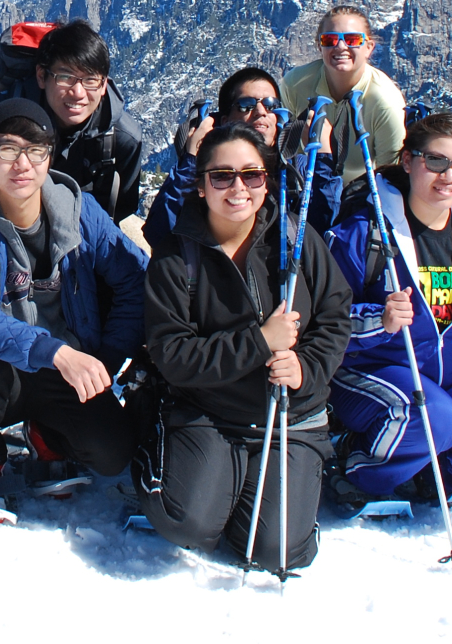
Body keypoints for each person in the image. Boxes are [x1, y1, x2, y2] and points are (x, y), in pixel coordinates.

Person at [138, 122, 352, 573]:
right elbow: (172, 355)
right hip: (210, 412)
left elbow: (335, 314)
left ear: (267, 180)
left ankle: (254, 500)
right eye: (222, 176)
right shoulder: (177, 257)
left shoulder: (295, 240)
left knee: (277, 553)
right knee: (188, 525)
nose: (239, 188)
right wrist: (259, 343)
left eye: (252, 175)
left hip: (291, 417)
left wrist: (306, 368)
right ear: (200, 186)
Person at [0, 98, 149, 504]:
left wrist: (108, 356)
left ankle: (46, 433)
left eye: (35, 151)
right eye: (8, 149)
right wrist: (59, 353)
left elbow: (134, 278)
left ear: (49, 157)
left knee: (111, 451)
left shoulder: (80, 210)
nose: (22, 164)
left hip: (62, 365)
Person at [321, 112, 452, 499]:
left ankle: (420, 472)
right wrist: (378, 321)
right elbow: (322, 323)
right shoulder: (365, 232)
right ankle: (360, 466)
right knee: (436, 419)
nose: (449, 177)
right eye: (436, 161)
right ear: (407, 161)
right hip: (377, 370)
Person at [0, 19, 145, 224]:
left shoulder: (123, 139)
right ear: (41, 76)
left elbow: (121, 209)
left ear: (103, 86)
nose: (78, 93)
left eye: (90, 80)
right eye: (65, 77)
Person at [143, 66, 289, 252]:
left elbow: (322, 226)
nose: (261, 112)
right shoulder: (209, 172)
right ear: (225, 120)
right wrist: (192, 159)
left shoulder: (292, 173)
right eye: (247, 105)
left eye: (271, 105)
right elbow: (160, 233)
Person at [280, 5, 405, 183]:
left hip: (365, 197)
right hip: (306, 191)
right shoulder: (295, 84)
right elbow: (284, 153)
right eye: (330, 39)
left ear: (369, 47)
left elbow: (392, 176)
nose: (340, 46)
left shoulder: (385, 102)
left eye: (352, 40)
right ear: (319, 46)